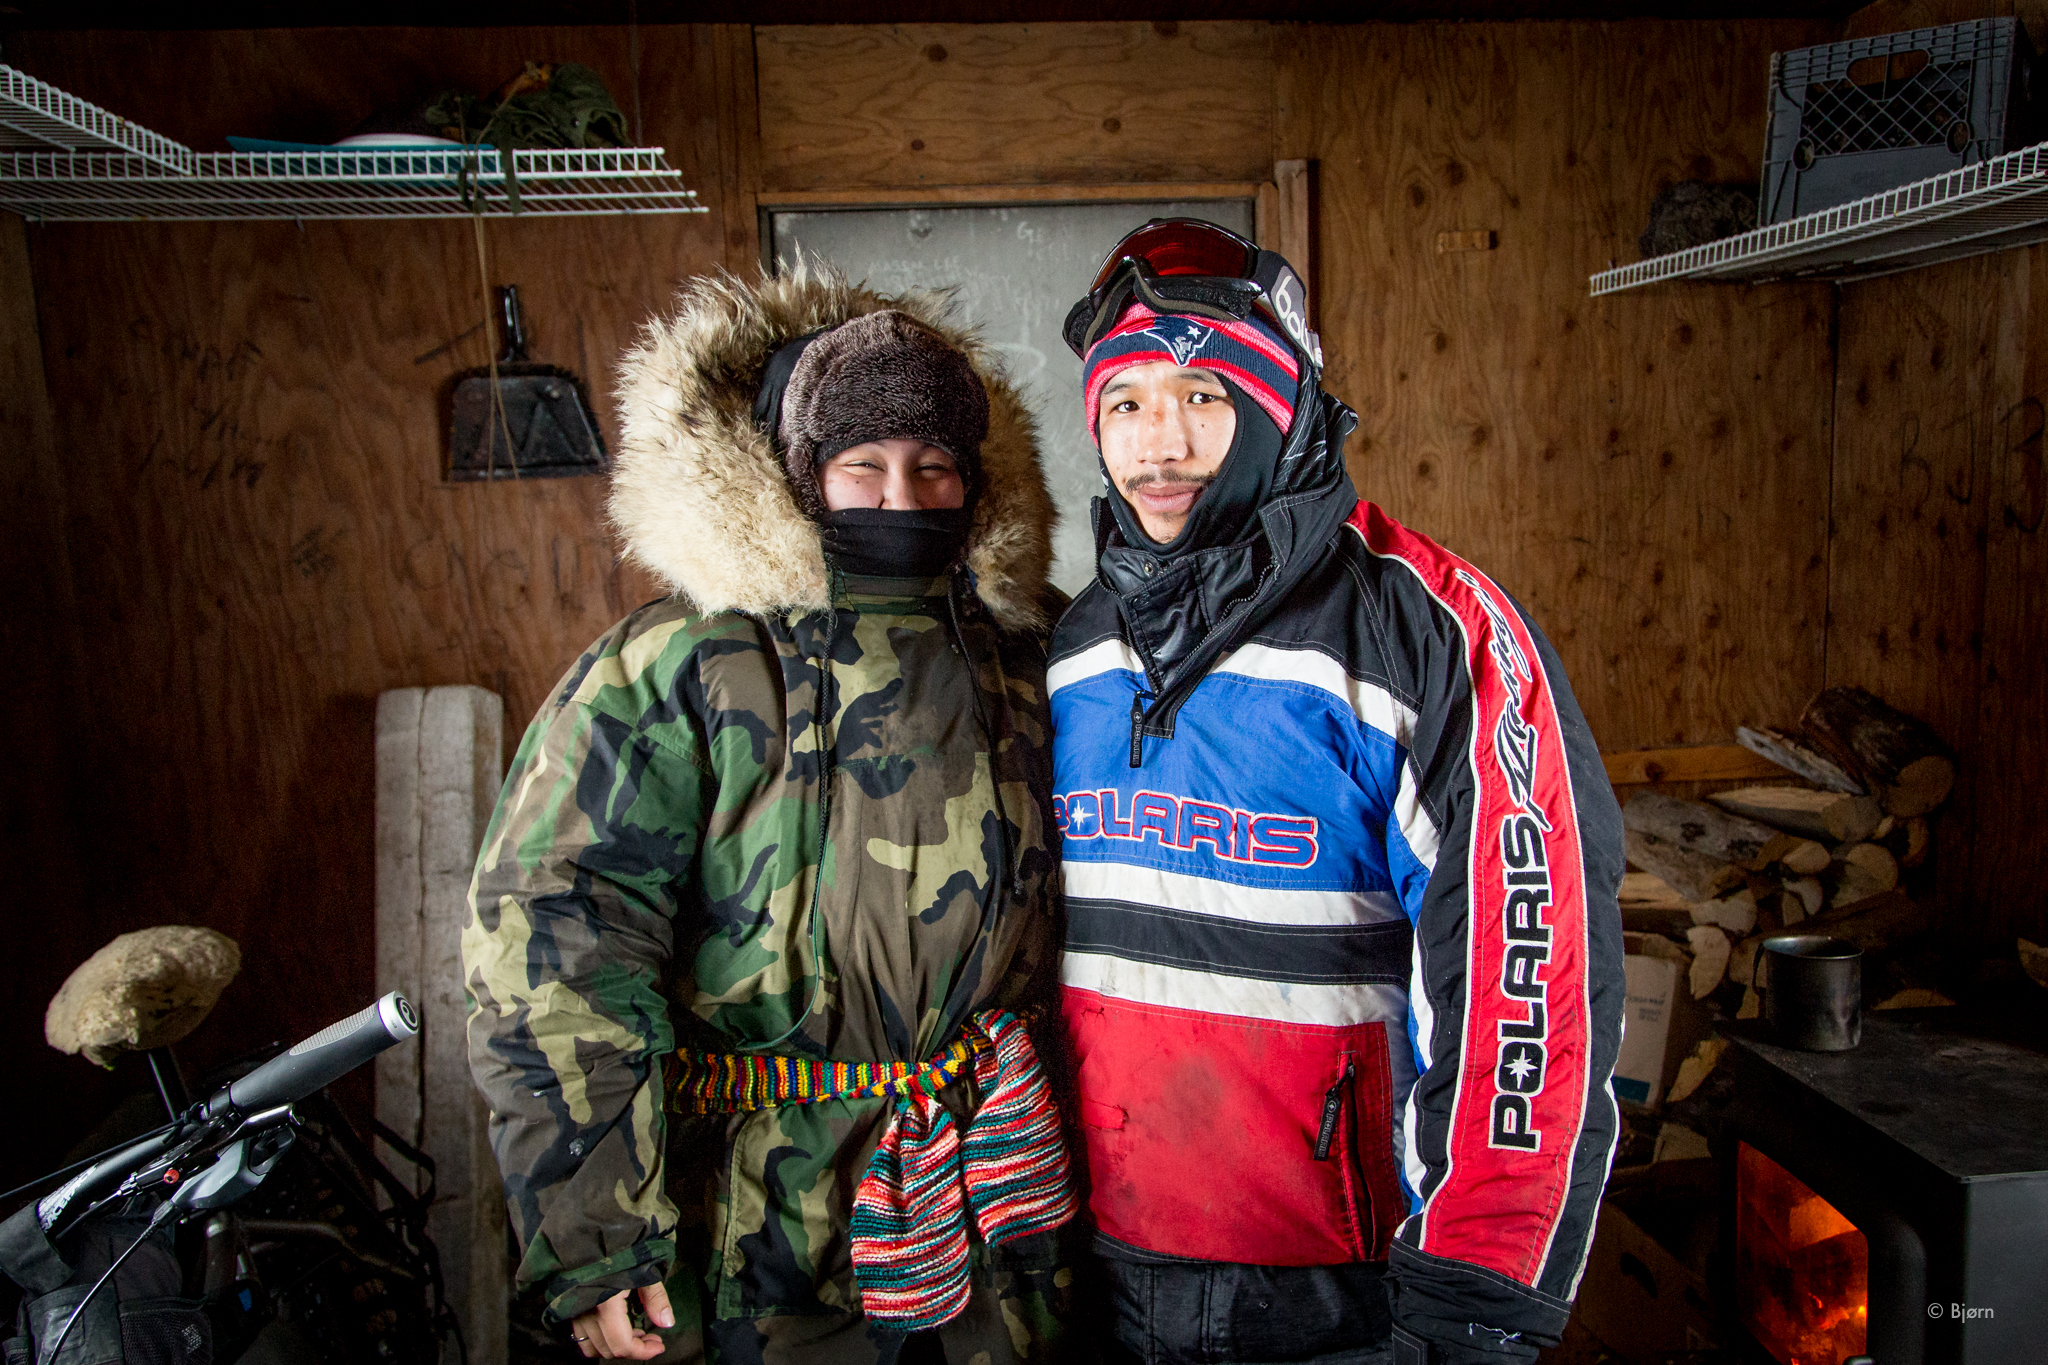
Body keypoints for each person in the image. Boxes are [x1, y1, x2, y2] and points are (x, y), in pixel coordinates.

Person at [462, 266, 1080, 1365]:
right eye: (864, 466)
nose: (901, 498)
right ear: (799, 477)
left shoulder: (1035, 655)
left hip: (999, 1210)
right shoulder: (682, 664)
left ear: (977, 484)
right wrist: (597, 1237)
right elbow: (550, 939)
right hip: (745, 1233)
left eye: (934, 467)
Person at [1046, 220, 1625, 1364]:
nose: (1159, 442)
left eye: (1202, 395)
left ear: (1281, 403)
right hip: (1095, 1262)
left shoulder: (1430, 631)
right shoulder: (1074, 650)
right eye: (1125, 405)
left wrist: (1477, 1285)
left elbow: (1529, 964)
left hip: (1335, 1289)